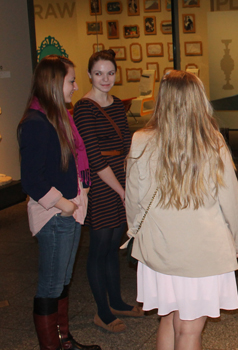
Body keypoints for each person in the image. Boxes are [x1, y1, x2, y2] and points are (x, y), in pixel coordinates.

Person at [125, 70, 238, 350]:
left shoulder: (141, 140)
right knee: (189, 332)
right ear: (198, 100)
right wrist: (237, 242)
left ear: (162, 100)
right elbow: (231, 202)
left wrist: (136, 232)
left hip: (159, 249)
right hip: (202, 252)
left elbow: (133, 199)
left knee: (168, 319)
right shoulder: (213, 142)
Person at [18, 55, 101, 350]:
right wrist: (62, 204)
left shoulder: (59, 117)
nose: (76, 86)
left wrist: (77, 198)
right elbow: (30, 179)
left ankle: (64, 340)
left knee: (63, 281)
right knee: (50, 286)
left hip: (71, 211)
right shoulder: (36, 122)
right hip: (54, 216)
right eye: (71, 81)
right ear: (53, 83)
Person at [73, 50, 142, 333]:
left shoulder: (116, 104)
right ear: (89, 75)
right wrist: (121, 190)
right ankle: (102, 312)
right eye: (99, 73)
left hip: (121, 179)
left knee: (114, 244)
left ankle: (117, 301)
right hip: (102, 185)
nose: (105, 79)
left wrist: (129, 183)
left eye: (110, 73)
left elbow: (127, 144)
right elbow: (92, 155)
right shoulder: (84, 107)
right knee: (99, 249)